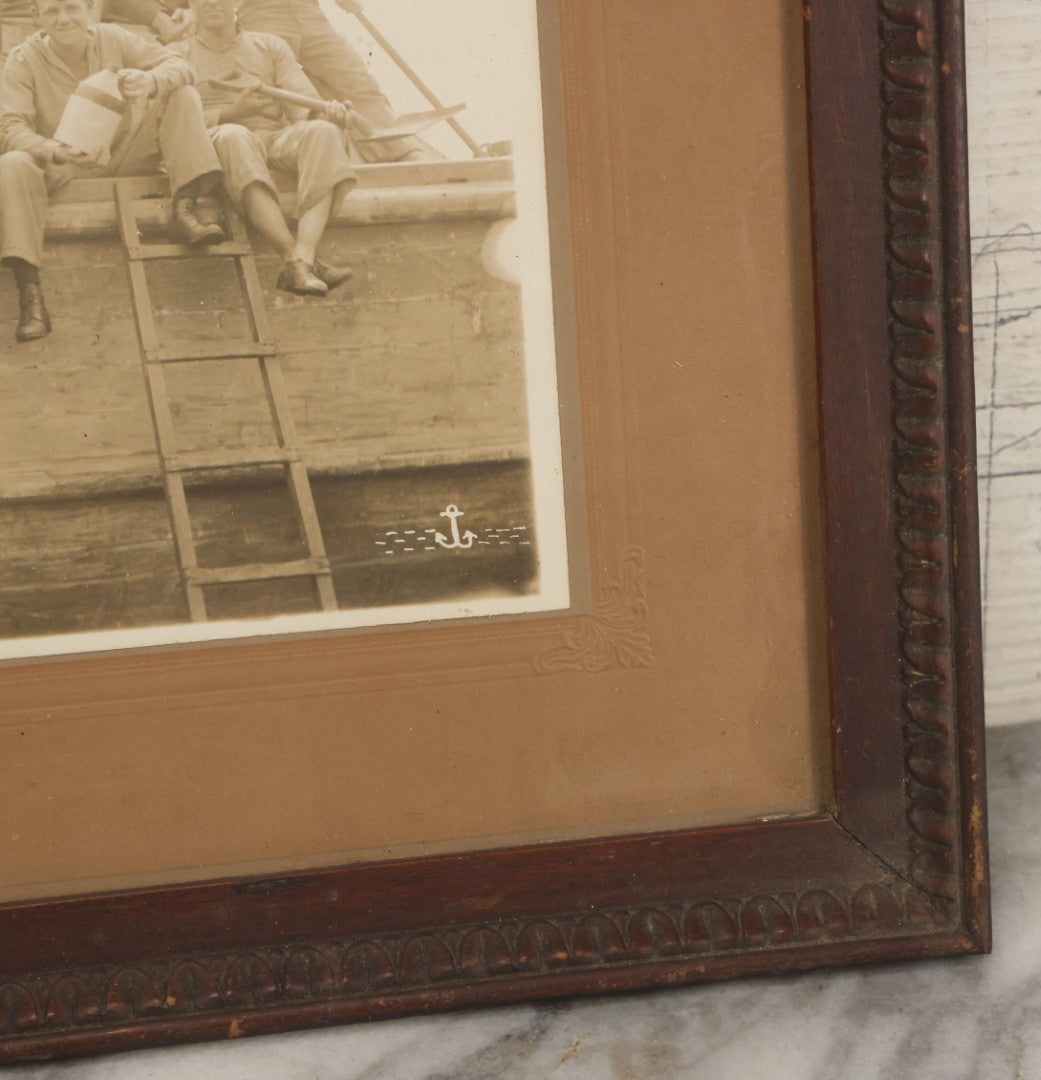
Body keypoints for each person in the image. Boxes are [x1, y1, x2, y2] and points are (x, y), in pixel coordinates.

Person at [0, 0, 225, 342]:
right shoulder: (22, 59)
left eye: (72, 8)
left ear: (90, 10)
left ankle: (184, 207)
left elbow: (181, 64)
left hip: (123, 152)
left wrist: (150, 80)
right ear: (36, 18)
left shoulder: (113, 37)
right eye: (52, 12)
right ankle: (29, 290)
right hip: (66, 168)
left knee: (181, 91)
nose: (64, 19)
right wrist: (55, 151)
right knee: (12, 162)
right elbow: (8, 127)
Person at [168, 0, 356, 297]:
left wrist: (329, 114)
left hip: (272, 138)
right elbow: (175, 127)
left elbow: (302, 107)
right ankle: (291, 259)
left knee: (324, 132)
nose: (213, 2)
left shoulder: (270, 46)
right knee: (235, 135)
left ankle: (305, 258)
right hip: (217, 139)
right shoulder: (176, 56)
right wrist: (232, 111)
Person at [231, 0, 424, 163]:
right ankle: (277, 158)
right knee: (265, 93)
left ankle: (395, 148)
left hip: (308, 12)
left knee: (357, 81)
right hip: (261, 13)